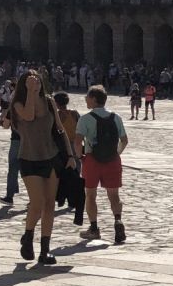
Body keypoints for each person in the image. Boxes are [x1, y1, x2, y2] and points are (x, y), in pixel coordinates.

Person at [9, 70, 63, 265]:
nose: (36, 85)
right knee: (37, 202)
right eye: (31, 83)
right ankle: (28, 235)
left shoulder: (49, 101)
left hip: (51, 156)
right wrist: (30, 93)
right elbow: (29, 117)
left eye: (38, 82)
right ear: (24, 85)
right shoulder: (17, 105)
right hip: (29, 158)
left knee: (50, 204)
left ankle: (45, 250)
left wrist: (72, 156)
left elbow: (59, 128)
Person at [78, 85, 129, 244]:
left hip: (92, 160)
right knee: (114, 195)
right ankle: (118, 220)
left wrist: (81, 157)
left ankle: (94, 228)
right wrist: (116, 154)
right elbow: (124, 140)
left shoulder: (86, 118)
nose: (85, 99)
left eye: (87, 97)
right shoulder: (116, 117)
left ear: (93, 99)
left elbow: (77, 140)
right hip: (112, 160)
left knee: (90, 195)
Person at [52, 91, 86, 229]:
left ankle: (62, 197)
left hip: (62, 146)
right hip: (76, 145)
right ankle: (74, 199)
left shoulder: (57, 115)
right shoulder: (74, 113)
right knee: (76, 173)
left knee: (62, 174)